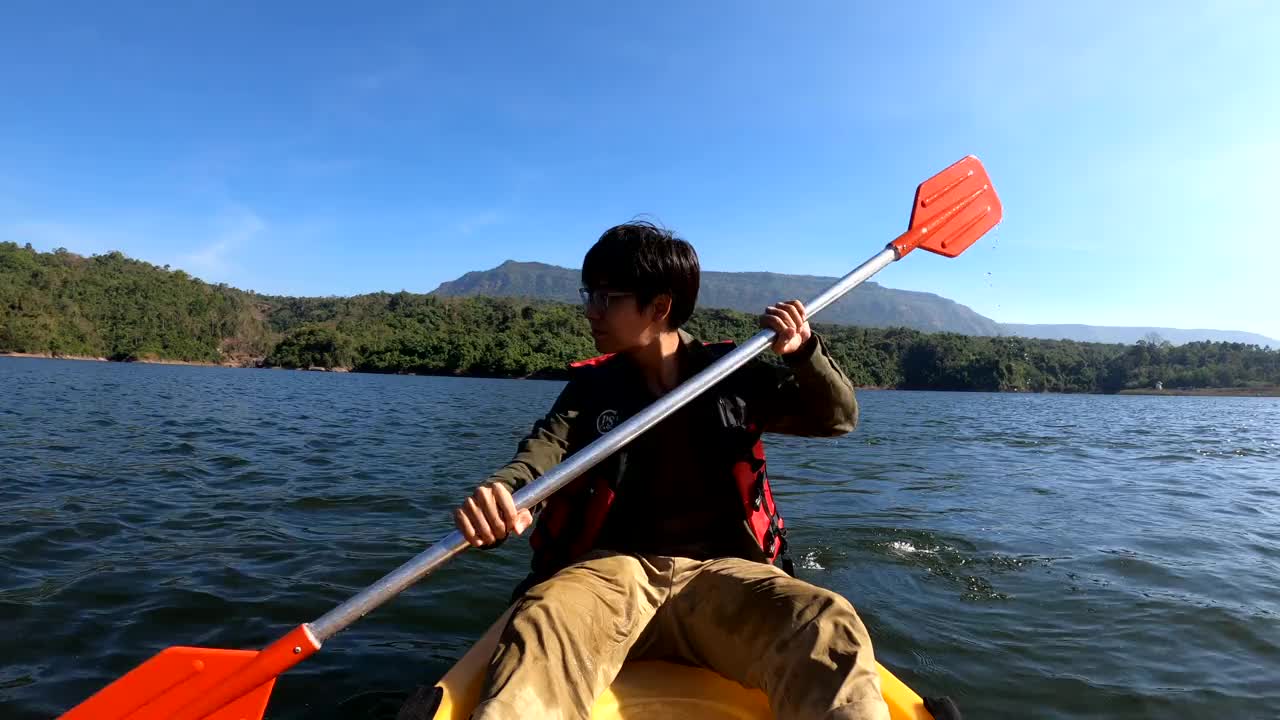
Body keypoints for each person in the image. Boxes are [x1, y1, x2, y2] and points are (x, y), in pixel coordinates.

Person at [453, 221, 889, 720]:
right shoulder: (591, 390)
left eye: (606, 297)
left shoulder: (731, 372)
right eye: (588, 294)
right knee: (542, 620)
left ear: (659, 308)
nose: (590, 310)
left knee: (825, 622)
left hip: (722, 578)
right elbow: (540, 454)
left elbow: (836, 418)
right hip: (612, 576)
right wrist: (503, 494)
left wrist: (804, 353)